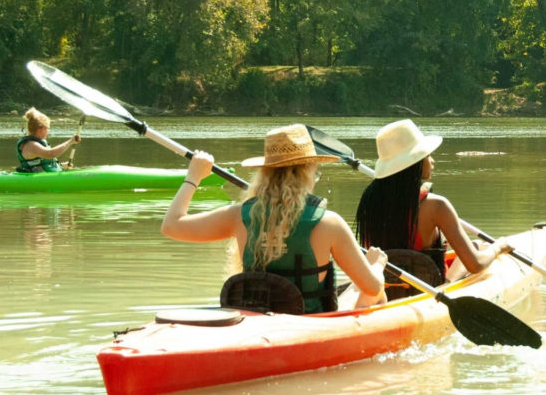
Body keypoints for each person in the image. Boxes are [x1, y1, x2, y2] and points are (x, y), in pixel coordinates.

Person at [161, 124, 388, 311]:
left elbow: (171, 226)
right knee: (378, 293)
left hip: (257, 321)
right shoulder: (330, 223)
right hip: (309, 326)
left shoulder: (238, 216)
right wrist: (376, 265)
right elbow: (370, 287)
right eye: (315, 171)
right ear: (307, 171)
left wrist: (193, 176)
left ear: (264, 173)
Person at [355, 119, 513, 299]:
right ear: (415, 163)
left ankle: (450, 281)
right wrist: (498, 247)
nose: (432, 160)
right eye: (427, 155)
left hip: (384, 291)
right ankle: (449, 284)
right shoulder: (436, 206)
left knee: (477, 244)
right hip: (427, 292)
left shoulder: (369, 203)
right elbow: (475, 264)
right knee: (482, 249)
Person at [16, 107, 81, 172]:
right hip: (36, 179)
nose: (48, 131)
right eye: (48, 128)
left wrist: (61, 165)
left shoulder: (34, 143)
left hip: (43, 177)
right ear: (41, 129)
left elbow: (40, 163)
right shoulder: (31, 145)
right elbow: (51, 154)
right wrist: (70, 141)